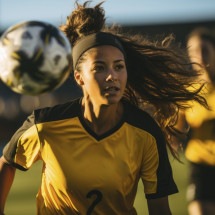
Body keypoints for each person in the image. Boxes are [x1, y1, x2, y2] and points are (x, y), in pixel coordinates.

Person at [0, 2, 208, 215]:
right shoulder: (45, 125)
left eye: (119, 66)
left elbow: (160, 209)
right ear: (79, 77)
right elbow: (6, 163)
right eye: (99, 67)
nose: (112, 76)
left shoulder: (145, 133)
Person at [184, 27, 215, 215]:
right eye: (193, 51)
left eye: (204, 49)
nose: (199, 56)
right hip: (200, 165)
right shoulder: (187, 91)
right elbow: (176, 132)